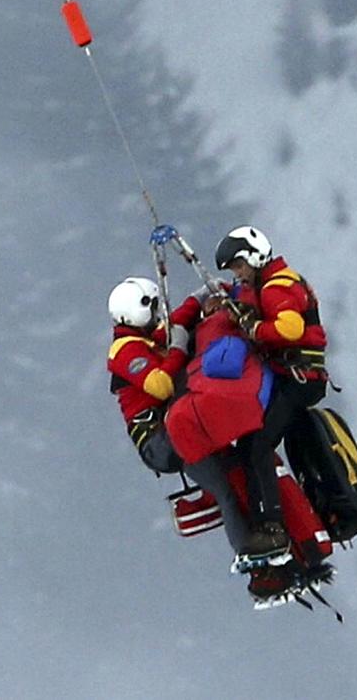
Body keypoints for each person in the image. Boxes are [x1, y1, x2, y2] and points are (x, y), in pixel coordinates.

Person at [106, 276, 249, 552]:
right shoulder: (125, 351)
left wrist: (200, 296)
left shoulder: (146, 339)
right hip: (160, 441)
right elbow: (161, 385)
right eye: (152, 307)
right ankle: (251, 554)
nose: (158, 313)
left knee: (238, 472)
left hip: (178, 426)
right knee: (226, 491)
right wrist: (177, 348)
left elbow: (176, 324)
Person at [213, 225, 330, 563]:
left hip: (299, 381)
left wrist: (254, 329)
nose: (238, 274)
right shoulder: (274, 283)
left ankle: (273, 529)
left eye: (238, 266)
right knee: (252, 443)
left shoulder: (277, 287)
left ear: (253, 257)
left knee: (258, 446)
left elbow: (289, 328)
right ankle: (271, 522)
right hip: (294, 379)